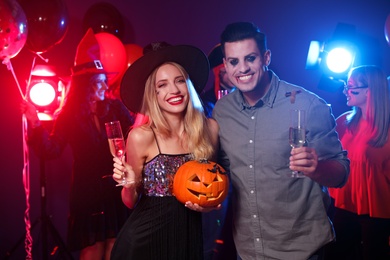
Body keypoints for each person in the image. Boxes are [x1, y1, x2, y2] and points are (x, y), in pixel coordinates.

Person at [212, 21, 350, 259]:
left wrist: (317, 169)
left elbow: (341, 173)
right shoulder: (222, 112)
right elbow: (224, 169)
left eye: (251, 58)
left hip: (300, 250)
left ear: (266, 58)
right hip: (247, 249)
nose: (242, 68)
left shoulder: (308, 105)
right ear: (225, 64)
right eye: (234, 61)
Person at [21, 28, 135, 260]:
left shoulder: (115, 109)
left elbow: (135, 135)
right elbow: (50, 150)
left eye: (105, 81)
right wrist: (34, 123)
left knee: (115, 247)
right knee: (92, 249)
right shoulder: (70, 115)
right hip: (87, 192)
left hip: (115, 187)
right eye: (100, 82)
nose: (105, 87)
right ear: (86, 84)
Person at [109, 43, 220, 259]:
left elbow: (213, 191)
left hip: (189, 239)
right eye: (162, 84)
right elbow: (130, 202)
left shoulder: (210, 130)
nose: (174, 90)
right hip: (145, 244)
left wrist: (207, 206)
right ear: (153, 94)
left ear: (189, 85)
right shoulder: (141, 136)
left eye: (180, 81)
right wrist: (129, 184)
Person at [326, 65, 390, 260]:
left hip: (377, 213)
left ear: (370, 91)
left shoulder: (386, 129)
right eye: (346, 85)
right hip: (342, 206)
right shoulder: (344, 122)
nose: (345, 90)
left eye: (351, 86)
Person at [201, 43, 236, 118]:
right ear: (218, 73)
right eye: (226, 72)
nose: (232, 75)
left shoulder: (246, 95)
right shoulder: (208, 101)